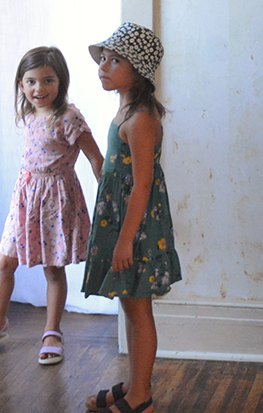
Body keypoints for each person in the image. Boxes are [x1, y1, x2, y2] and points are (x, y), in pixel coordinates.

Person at [0, 46, 103, 365]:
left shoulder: (69, 117)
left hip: (56, 199)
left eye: (47, 80)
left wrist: (108, 200)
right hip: (25, 198)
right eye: (31, 81)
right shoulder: (27, 115)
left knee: (53, 269)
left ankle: (52, 331)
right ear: (21, 85)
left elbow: (96, 159)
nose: (39, 88)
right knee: (3, 263)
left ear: (61, 82)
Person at [82, 23, 181, 413]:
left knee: (139, 309)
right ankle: (135, 382)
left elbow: (141, 186)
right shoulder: (124, 109)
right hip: (121, 221)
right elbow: (115, 172)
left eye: (115, 59)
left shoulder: (141, 120)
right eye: (103, 58)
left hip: (136, 229)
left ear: (138, 69)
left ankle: (142, 396)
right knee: (130, 304)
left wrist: (124, 240)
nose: (103, 66)